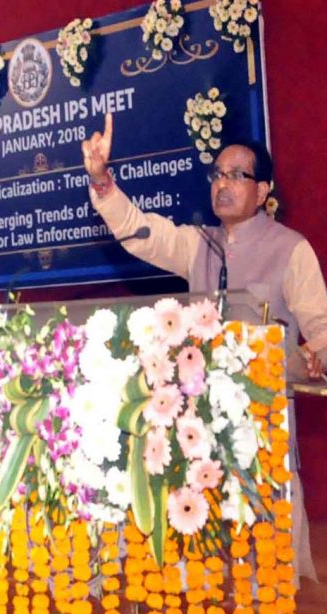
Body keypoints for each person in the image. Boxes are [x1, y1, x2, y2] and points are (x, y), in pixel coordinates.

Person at [82, 113, 327, 581]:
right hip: (197, 437)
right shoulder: (198, 244)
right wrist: (101, 180)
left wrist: (313, 356)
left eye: (236, 175)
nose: (222, 184)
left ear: (263, 190)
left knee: (265, 578)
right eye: (217, 174)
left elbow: (321, 326)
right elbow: (138, 230)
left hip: (262, 432)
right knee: (203, 577)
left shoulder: (291, 249)